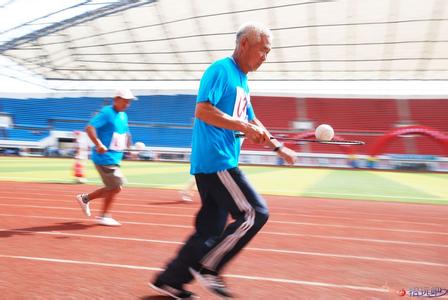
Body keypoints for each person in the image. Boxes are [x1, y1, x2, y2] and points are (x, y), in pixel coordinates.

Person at [149, 22, 297, 299]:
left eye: (269, 52)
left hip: (216, 161)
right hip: (217, 160)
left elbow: (251, 120)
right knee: (255, 213)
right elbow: (203, 110)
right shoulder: (221, 70)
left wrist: (278, 147)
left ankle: (169, 281)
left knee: (208, 232)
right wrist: (244, 126)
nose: (266, 56)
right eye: (263, 50)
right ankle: (210, 268)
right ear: (244, 45)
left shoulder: (242, 80)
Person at [75, 88, 136, 226]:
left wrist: (130, 145)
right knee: (116, 186)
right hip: (104, 157)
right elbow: (90, 128)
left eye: (129, 102)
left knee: (113, 187)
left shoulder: (123, 115)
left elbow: (125, 132)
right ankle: (104, 216)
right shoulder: (107, 112)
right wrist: (98, 144)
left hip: (115, 158)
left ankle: (85, 199)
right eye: (125, 101)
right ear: (116, 99)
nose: (127, 104)